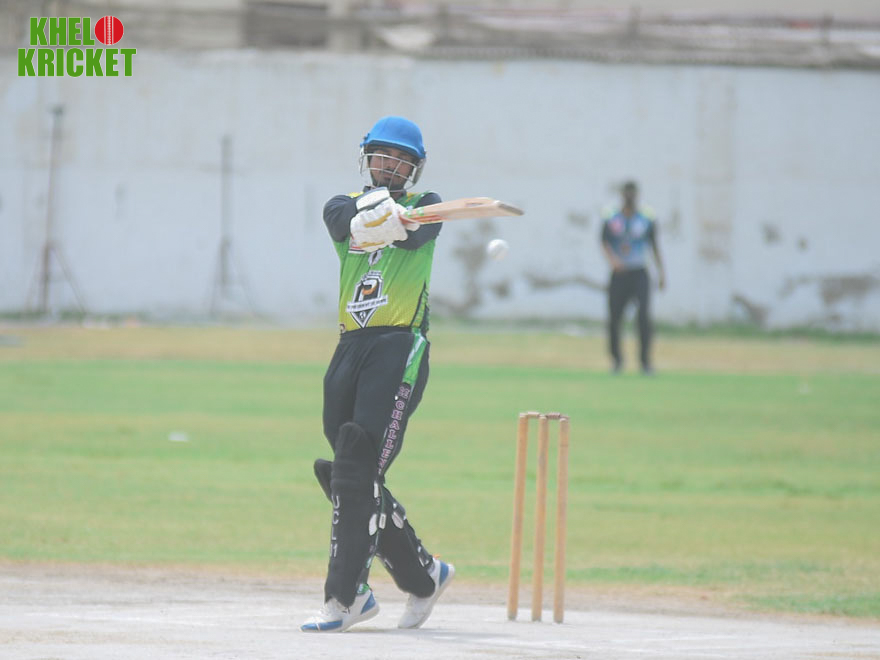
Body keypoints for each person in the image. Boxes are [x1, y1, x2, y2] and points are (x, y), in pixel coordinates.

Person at [301, 116, 454, 633]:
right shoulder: (339, 204)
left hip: (398, 345)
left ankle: (346, 598)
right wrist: (375, 218)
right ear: (366, 157)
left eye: (402, 160)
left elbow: (411, 236)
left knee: (354, 464)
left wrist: (392, 220)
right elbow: (342, 223)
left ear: (415, 168)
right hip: (349, 345)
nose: (391, 166)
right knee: (350, 472)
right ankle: (424, 575)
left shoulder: (427, 205)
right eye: (384, 156)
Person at [600, 180, 666, 374]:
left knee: (643, 317)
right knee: (614, 318)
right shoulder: (612, 217)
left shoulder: (646, 218)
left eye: (632, 194)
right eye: (626, 193)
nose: (629, 197)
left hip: (639, 272)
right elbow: (604, 241)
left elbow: (654, 245)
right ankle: (616, 361)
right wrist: (613, 261)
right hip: (619, 274)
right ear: (622, 195)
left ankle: (645, 362)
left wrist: (661, 272)